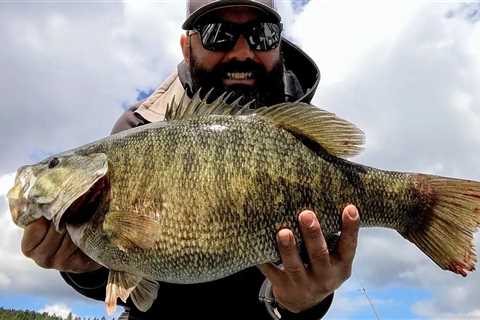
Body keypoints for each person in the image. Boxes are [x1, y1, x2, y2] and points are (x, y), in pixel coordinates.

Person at [20, 1, 360, 319]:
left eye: (262, 34)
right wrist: (86, 267)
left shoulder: (302, 141)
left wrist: (306, 301)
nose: (242, 52)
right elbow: (130, 288)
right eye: (217, 34)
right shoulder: (137, 131)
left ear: (279, 44)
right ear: (187, 47)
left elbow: (313, 274)